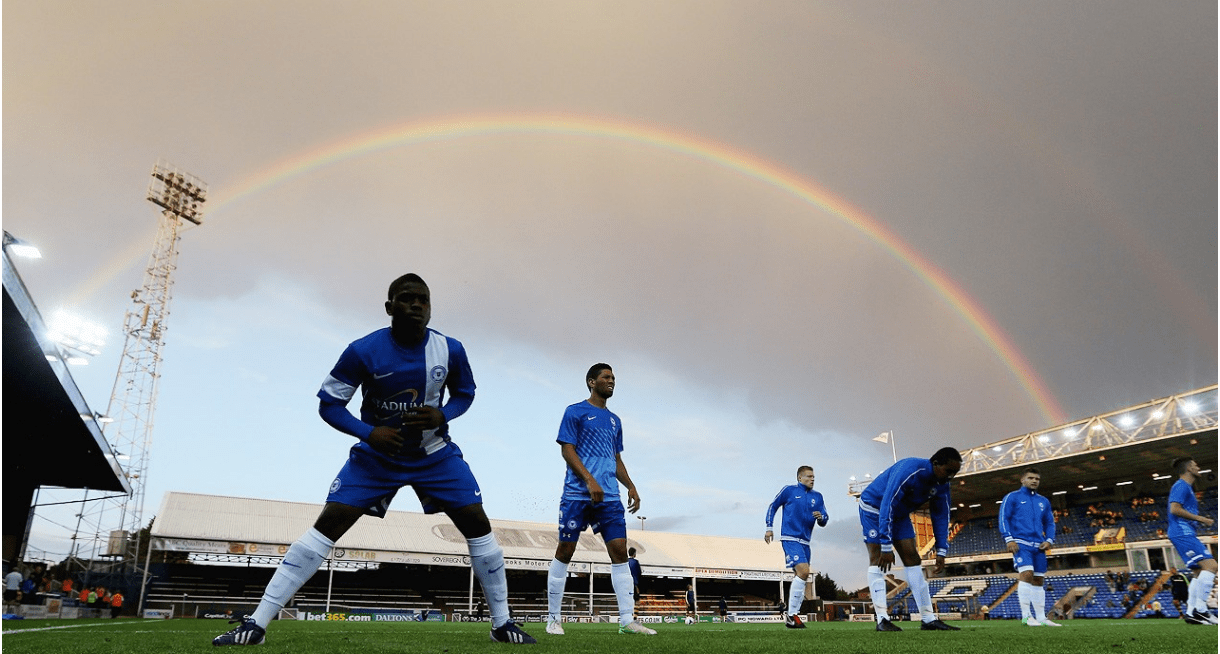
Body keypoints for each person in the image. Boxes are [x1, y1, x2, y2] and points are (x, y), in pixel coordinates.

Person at [213, 274, 535, 645]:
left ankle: (501, 624)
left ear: (430, 309)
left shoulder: (451, 350)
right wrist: (370, 433)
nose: (416, 305)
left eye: (423, 300)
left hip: (434, 456)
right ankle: (256, 624)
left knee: (478, 525)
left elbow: (465, 394)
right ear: (389, 307)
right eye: (406, 299)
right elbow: (330, 405)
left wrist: (443, 414)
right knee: (327, 525)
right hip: (377, 458)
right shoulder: (362, 351)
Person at [544, 364, 655, 636]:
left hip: (610, 497)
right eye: (606, 377)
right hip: (577, 494)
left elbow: (616, 458)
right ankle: (553, 618)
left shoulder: (615, 420)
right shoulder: (575, 411)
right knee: (565, 551)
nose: (612, 381)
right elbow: (567, 451)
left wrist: (630, 485)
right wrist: (589, 479)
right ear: (591, 382)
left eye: (614, 377)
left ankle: (627, 621)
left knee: (619, 551)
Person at [858, 447, 962, 632]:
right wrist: (886, 546)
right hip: (875, 507)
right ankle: (882, 619)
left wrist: (942, 550)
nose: (951, 477)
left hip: (899, 513)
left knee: (913, 559)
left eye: (955, 473)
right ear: (935, 463)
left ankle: (928, 619)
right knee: (877, 559)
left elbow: (940, 516)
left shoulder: (942, 484)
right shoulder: (909, 470)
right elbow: (887, 505)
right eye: (948, 471)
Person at [764, 465, 829, 629]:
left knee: (803, 576)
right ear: (800, 478)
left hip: (806, 542)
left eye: (813, 476)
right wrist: (769, 527)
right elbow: (773, 506)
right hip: (790, 538)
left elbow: (825, 518)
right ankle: (791, 615)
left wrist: (821, 518)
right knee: (804, 571)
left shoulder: (818, 497)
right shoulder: (789, 490)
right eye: (808, 476)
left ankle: (794, 615)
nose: (812, 479)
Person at [999, 467, 1060, 627]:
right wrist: (1009, 538)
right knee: (1026, 574)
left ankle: (1041, 617)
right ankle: (1026, 616)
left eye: (1037, 479)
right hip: (1021, 543)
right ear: (1022, 480)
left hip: (1039, 546)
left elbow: (1050, 522)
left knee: (1039, 579)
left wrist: (1049, 539)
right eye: (1031, 478)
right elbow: (1003, 518)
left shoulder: (1043, 501)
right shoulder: (1012, 497)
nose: (1034, 481)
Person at [1167, 457, 1218, 626]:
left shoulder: (1185, 487)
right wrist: (1201, 518)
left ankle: (1191, 612)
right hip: (1182, 532)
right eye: (1196, 465)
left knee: (1198, 572)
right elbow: (1175, 509)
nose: (1198, 467)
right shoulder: (1181, 485)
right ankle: (1201, 610)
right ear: (1189, 468)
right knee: (1212, 566)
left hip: (1183, 532)